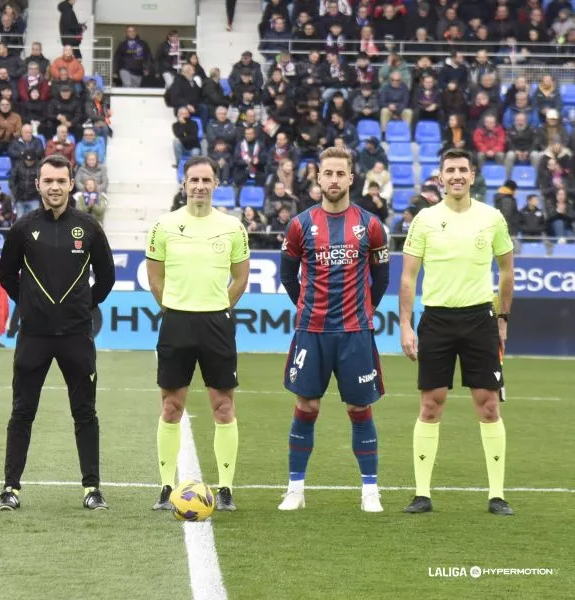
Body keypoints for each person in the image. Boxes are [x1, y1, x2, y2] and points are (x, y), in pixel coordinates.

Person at [399, 149, 515, 516]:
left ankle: (497, 495)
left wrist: (503, 318)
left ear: (473, 174)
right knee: (431, 404)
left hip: (480, 320)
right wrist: (405, 323)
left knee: (489, 404)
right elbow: (407, 276)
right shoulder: (426, 219)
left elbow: (507, 271)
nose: (457, 175)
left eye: (463, 169)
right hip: (436, 320)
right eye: (450, 170)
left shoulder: (492, 217)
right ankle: (421, 494)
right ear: (440, 176)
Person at [0, 154, 116, 511]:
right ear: (38, 185)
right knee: (22, 412)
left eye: (60, 181)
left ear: (71, 184)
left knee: (85, 413)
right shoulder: (22, 227)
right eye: (48, 181)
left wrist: (81, 306)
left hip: (77, 337)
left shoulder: (89, 227)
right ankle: (10, 489)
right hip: (33, 336)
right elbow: (7, 276)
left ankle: (92, 489)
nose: (54, 187)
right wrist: (32, 306)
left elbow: (106, 278)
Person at [277, 147, 391, 513]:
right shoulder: (300, 224)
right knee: (306, 405)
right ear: (319, 178)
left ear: (351, 178)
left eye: (341, 174)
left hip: (355, 331)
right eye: (328, 173)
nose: (334, 180)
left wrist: (364, 309)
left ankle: (370, 491)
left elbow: (382, 277)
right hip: (312, 330)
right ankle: (295, 489)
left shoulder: (371, 225)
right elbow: (287, 274)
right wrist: (306, 305)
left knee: (359, 407)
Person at [146, 156, 251, 512]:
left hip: (216, 324)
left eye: (206, 180)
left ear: (216, 184)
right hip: (176, 322)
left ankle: (225, 488)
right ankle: (165, 487)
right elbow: (155, 278)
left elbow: (240, 277)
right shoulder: (164, 225)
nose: (200, 186)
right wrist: (174, 307)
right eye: (194, 180)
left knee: (223, 407)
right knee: (171, 407)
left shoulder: (232, 227)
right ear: (184, 184)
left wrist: (220, 306)